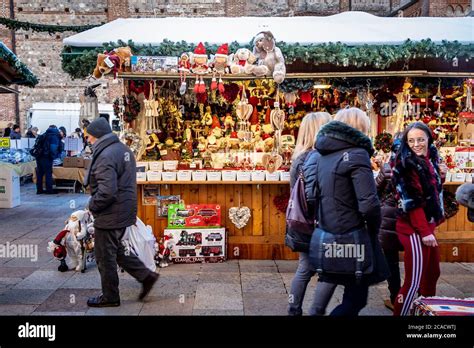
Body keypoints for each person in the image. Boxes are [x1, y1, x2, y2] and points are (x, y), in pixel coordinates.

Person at [310, 107, 388, 316]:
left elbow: (313, 195)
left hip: (330, 231)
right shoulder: (357, 154)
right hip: (354, 234)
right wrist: (373, 228)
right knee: (356, 299)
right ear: (360, 128)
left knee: (347, 290)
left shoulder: (323, 155)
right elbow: (369, 204)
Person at [84, 117, 158, 307]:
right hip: (123, 210)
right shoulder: (123, 149)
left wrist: (93, 204)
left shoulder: (106, 155)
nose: (89, 141)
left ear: (98, 137)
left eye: (90, 138)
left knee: (104, 256)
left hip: (110, 213)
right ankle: (146, 276)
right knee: (116, 250)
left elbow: (107, 191)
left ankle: (110, 296)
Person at [391, 122, 445, 316]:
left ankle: (424, 316)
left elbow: (431, 192)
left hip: (427, 226)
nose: (416, 144)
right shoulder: (405, 164)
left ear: (428, 139)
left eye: (420, 139)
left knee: (432, 274)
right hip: (413, 229)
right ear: (406, 142)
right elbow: (412, 201)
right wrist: (424, 232)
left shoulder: (430, 160)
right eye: (411, 140)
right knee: (413, 281)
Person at [286, 112, 332, 316]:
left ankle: (295, 309)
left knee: (305, 268)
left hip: (302, 222)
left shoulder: (299, 157)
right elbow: (315, 195)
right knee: (322, 270)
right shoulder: (317, 157)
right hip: (316, 223)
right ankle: (310, 310)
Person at [374, 136, 403, 312]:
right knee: (414, 260)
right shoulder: (420, 165)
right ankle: (421, 298)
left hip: (389, 221)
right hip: (409, 220)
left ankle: (396, 298)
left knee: (391, 261)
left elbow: (374, 190)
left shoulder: (388, 168)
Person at [35, 125, 62, 194]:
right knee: (48, 173)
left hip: (39, 156)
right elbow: (53, 148)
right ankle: (49, 190)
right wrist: (53, 157)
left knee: (40, 173)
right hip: (47, 156)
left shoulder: (44, 134)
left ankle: (39, 190)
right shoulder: (54, 136)